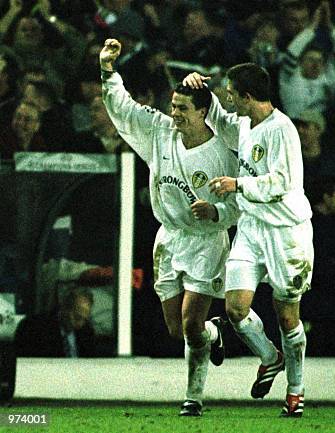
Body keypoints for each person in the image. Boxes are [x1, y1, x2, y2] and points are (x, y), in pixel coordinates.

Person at [99, 39, 239, 417]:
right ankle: (214, 333)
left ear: (202, 113)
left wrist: (218, 213)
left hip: (207, 241)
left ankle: (193, 398)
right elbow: (124, 110)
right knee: (179, 331)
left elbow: (242, 201)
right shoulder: (160, 132)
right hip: (169, 239)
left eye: (182, 108)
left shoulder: (225, 151)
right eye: (172, 106)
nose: (173, 113)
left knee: (191, 322)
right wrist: (108, 71)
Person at [183, 63, 314, 418]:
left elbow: (281, 183)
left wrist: (236, 184)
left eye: (230, 92)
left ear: (247, 96)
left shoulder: (282, 130)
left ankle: (296, 390)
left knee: (287, 316)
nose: (227, 97)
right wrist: (197, 88)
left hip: (287, 233)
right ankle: (271, 358)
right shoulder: (243, 124)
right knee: (235, 309)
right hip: (252, 229)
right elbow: (217, 116)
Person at [15, 287, 96, 358]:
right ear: (64, 307)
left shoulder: (87, 332)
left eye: (85, 319)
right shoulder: (33, 328)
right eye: (77, 317)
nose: (80, 324)